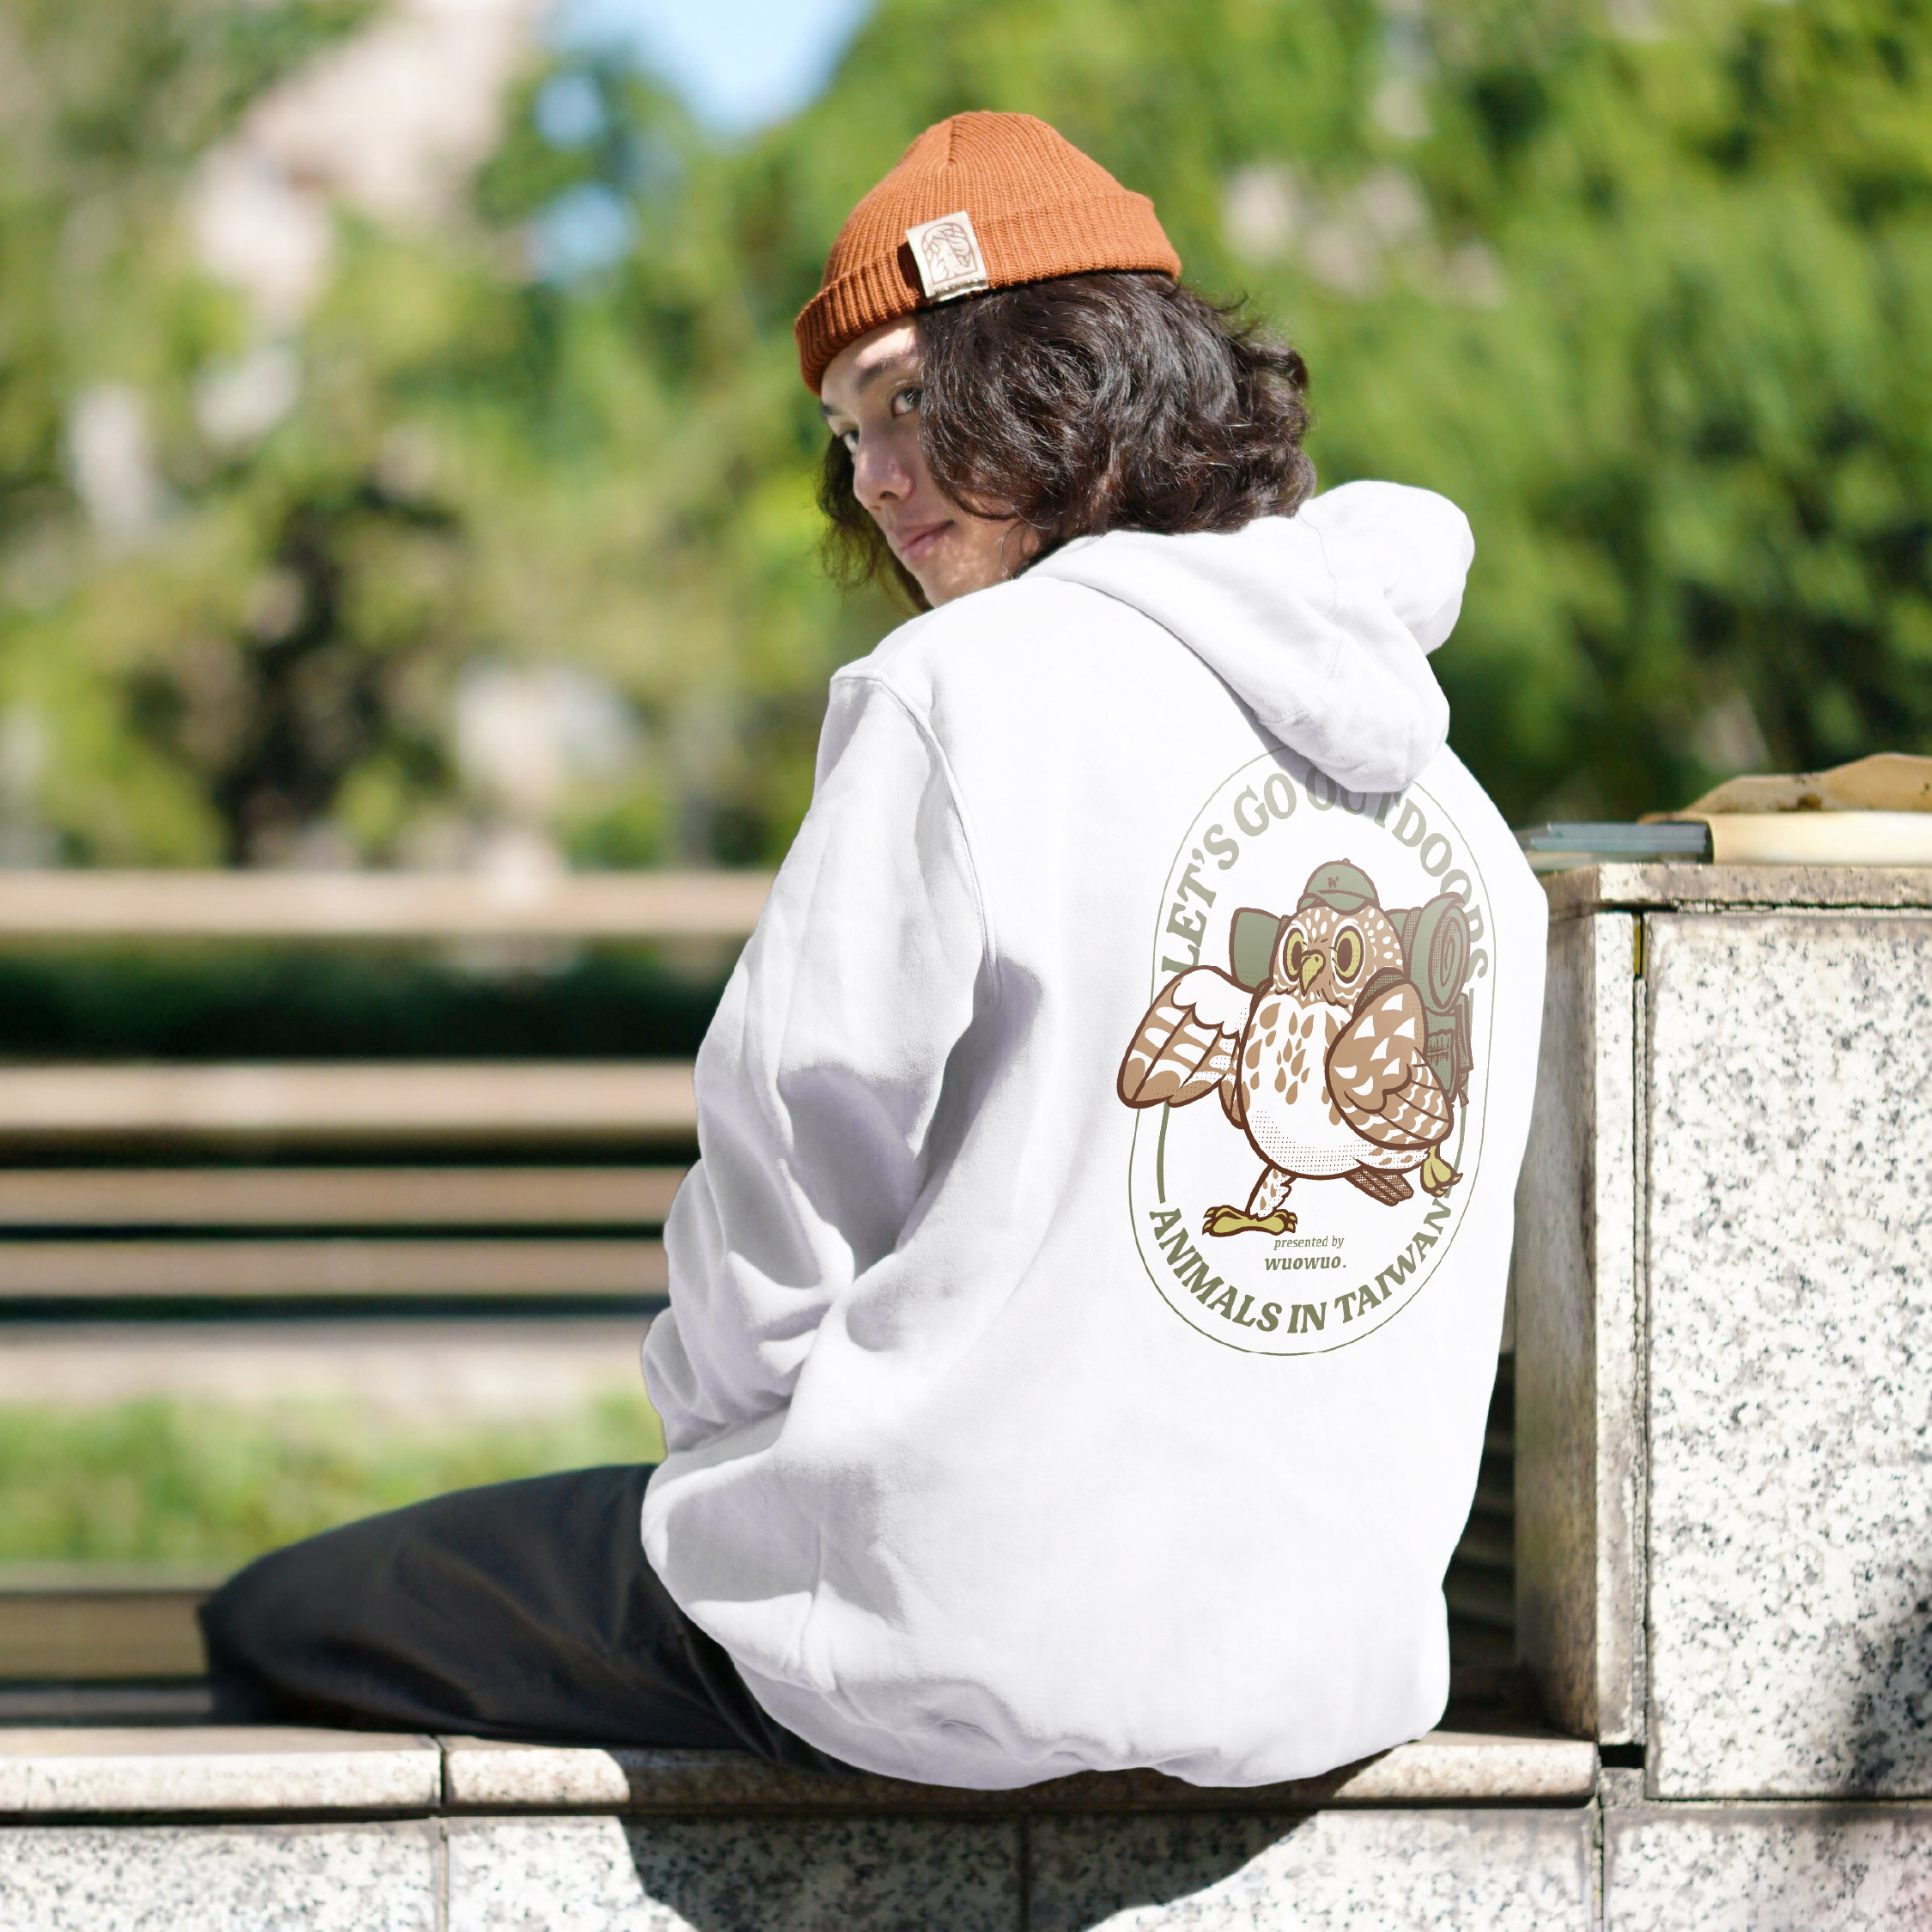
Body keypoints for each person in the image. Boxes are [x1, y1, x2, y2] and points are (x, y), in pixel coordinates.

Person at [203, 111, 1546, 1791]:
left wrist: (741, 1462)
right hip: (1323, 1675)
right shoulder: (1456, 811)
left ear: (1067, 369)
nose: (870, 478)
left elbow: (788, 1178)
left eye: (908, 400)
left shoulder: (960, 694)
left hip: (940, 1639)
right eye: (845, 433)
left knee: (278, 1618)